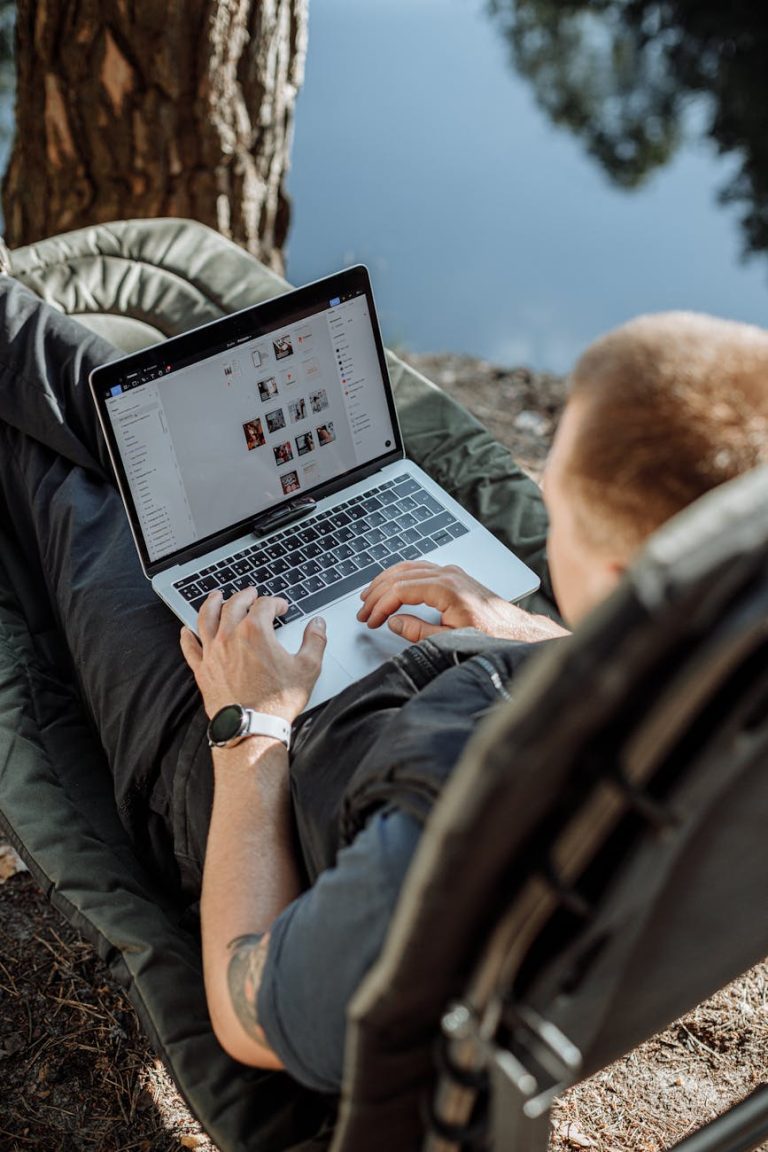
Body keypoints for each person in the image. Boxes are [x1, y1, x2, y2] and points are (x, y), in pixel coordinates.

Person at [1, 281, 766, 1093]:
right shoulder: (734, 692)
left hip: (260, 783)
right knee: (141, 459)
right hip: (401, 710)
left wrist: (249, 725)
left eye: (554, 482)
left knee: (57, 479)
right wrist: (533, 634)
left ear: (620, 573)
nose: (538, 483)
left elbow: (244, 1011)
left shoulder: (446, 841)